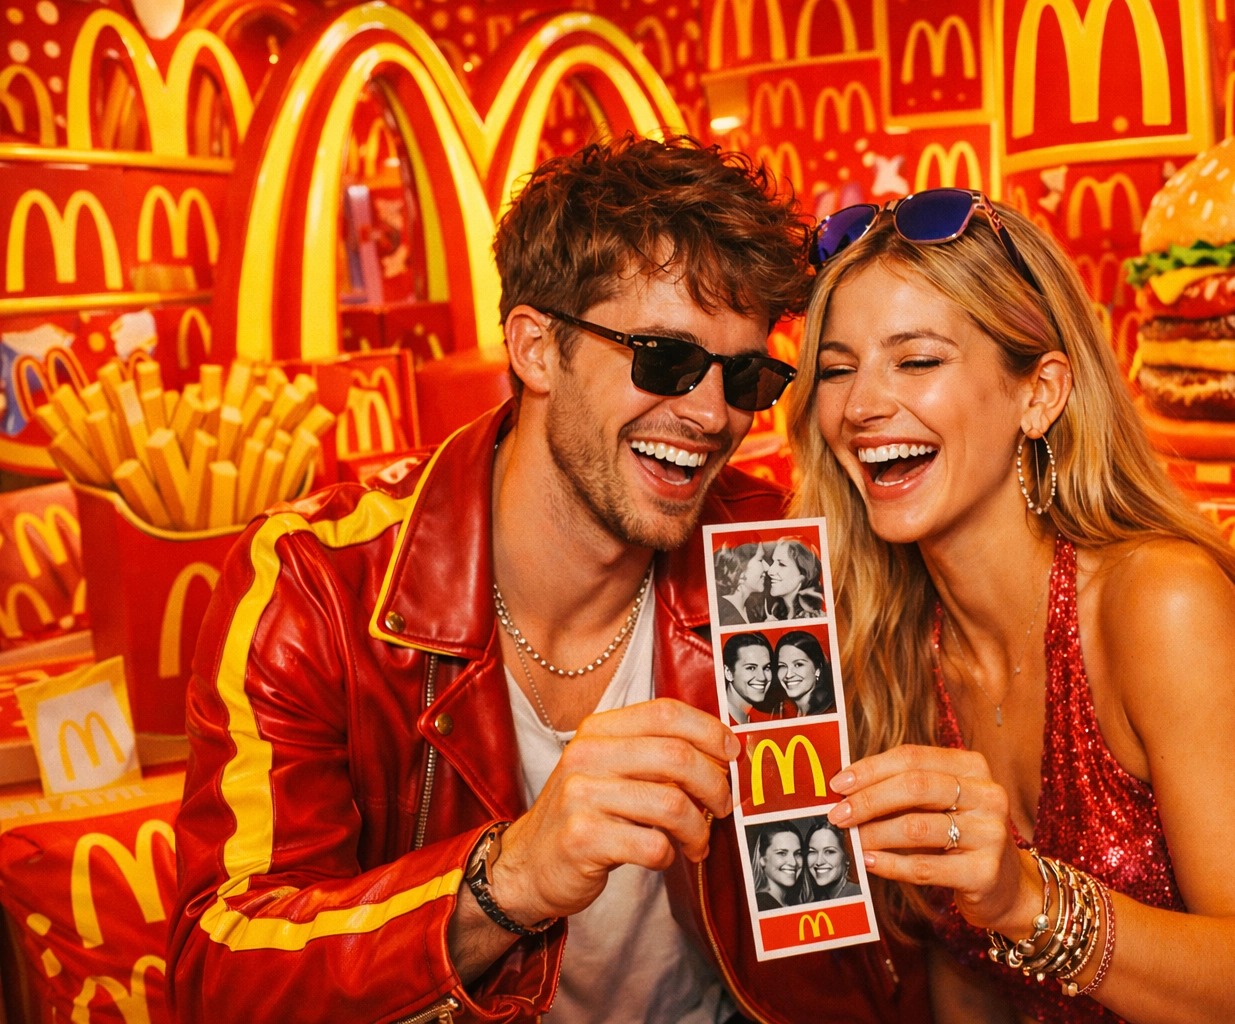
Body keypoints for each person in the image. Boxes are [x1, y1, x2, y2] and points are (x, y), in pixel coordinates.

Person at [169, 138, 932, 1024]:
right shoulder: (319, 587)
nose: (711, 413)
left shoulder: (775, 558)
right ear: (535, 347)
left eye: (745, 376)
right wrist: (514, 876)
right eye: (665, 358)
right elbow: (220, 971)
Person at [786, 188, 1235, 1022]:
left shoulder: (1161, 604)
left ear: (1040, 393)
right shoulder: (892, 645)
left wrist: (1027, 897)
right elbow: (970, 979)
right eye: (836, 368)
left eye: (917, 360)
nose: (861, 405)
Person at [722, 631, 790, 725]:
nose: (762, 678)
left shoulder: (762, 719)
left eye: (766, 668)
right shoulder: (715, 719)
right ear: (728, 673)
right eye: (751, 668)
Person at [775, 630, 834, 717]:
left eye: (798, 664)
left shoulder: (830, 714)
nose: (788, 675)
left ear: (817, 669)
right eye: (782, 666)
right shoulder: (780, 713)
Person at [802, 817, 861, 902]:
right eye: (812, 852)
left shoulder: (857, 895)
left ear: (847, 857)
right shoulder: (820, 899)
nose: (819, 862)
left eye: (829, 852)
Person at [764, 538, 825, 619]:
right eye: (773, 562)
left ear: (804, 574)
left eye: (781, 564)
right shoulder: (775, 611)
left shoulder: (814, 617)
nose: (770, 571)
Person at [750, 822, 805, 911]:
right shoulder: (760, 906)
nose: (793, 863)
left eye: (797, 854)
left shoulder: (788, 903)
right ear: (762, 860)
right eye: (782, 853)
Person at [714, 542, 767, 624]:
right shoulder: (721, 615)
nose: (767, 567)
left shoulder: (750, 613)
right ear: (739, 567)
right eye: (760, 560)